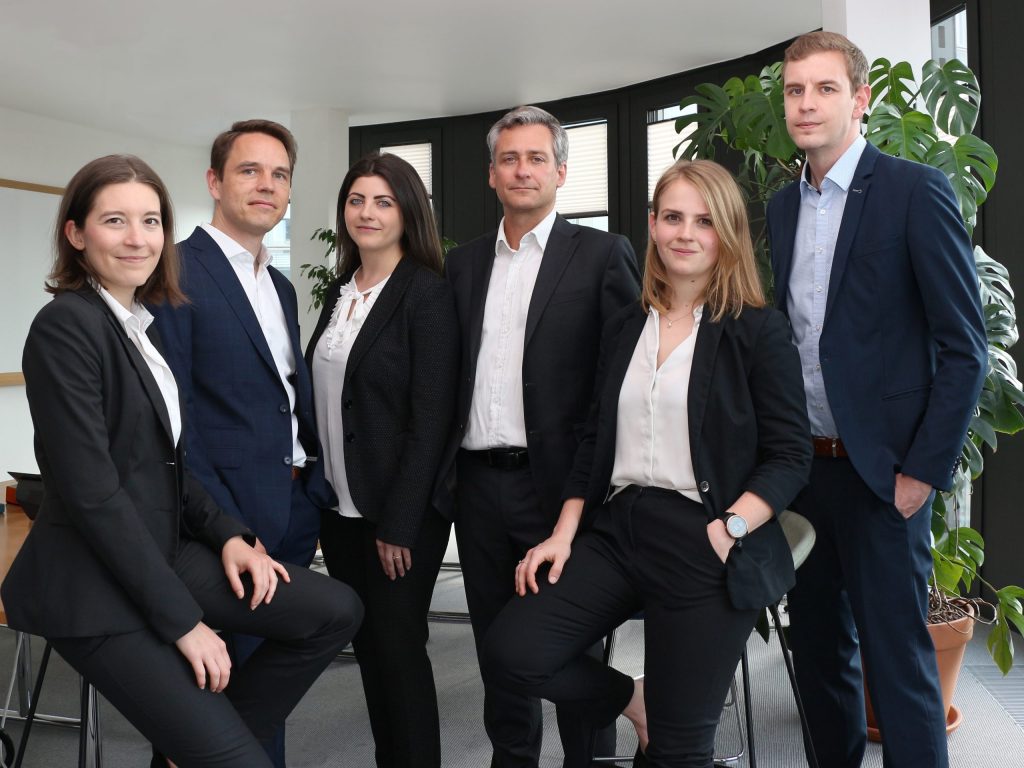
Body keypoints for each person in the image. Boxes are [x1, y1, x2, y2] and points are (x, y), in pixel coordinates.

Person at [0, 155, 363, 768]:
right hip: (94, 583)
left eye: (151, 221)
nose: (137, 238)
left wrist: (229, 536)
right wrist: (183, 623)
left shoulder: (136, 325)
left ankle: (193, 751)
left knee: (335, 611)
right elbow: (94, 493)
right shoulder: (66, 326)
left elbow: (169, 463)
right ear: (76, 233)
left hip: (161, 550)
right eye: (115, 220)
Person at [481, 158, 811, 768]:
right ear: (653, 224)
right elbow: (593, 440)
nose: (686, 233)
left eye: (704, 221)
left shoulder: (757, 331)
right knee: (512, 654)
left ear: (728, 233)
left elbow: (791, 454)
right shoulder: (625, 325)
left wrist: (731, 526)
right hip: (619, 530)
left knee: (679, 751)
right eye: (673, 217)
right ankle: (634, 699)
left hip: (706, 537)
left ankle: (665, 727)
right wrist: (562, 534)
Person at [767, 31, 987, 768]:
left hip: (884, 477)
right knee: (819, 656)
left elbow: (965, 348)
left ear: (860, 100)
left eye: (825, 88)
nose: (807, 104)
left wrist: (921, 474)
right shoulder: (781, 208)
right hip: (805, 473)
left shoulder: (914, 191)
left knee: (899, 668)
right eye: (795, 90)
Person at [442, 105, 640, 767]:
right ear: (491, 175)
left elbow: (617, 388)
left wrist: (588, 492)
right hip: (477, 488)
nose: (522, 170)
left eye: (535, 158)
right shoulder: (463, 265)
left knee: (569, 640)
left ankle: (593, 754)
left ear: (560, 171)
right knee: (496, 643)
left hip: (561, 489)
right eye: (509, 159)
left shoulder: (602, 254)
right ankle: (513, 758)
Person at [150, 119, 327, 765]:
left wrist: (313, 487)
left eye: (279, 174)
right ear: (214, 182)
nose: (266, 185)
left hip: (293, 508)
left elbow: (284, 396)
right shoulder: (174, 269)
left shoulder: (279, 284)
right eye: (249, 170)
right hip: (224, 521)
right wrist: (226, 526)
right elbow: (176, 421)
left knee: (265, 684)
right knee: (213, 682)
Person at [304, 152, 459, 768]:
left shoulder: (426, 294)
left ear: (407, 212)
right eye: (356, 200)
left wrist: (399, 523)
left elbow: (431, 420)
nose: (366, 213)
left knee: (398, 649)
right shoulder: (340, 292)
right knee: (369, 649)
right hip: (339, 508)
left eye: (383, 202)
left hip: (399, 515)